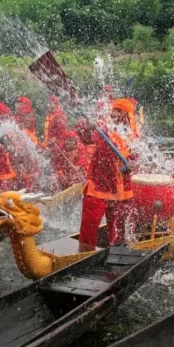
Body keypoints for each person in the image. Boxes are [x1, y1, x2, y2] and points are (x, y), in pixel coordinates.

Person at [76, 100, 138, 251]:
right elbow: (86, 138)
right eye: (114, 110)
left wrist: (132, 164)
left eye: (119, 111)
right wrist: (87, 126)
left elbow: (136, 156)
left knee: (119, 226)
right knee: (90, 223)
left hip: (121, 188)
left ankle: (117, 250)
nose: (114, 113)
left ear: (127, 116)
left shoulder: (132, 134)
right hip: (99, 184)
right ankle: (85, 253)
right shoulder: (103, 128)